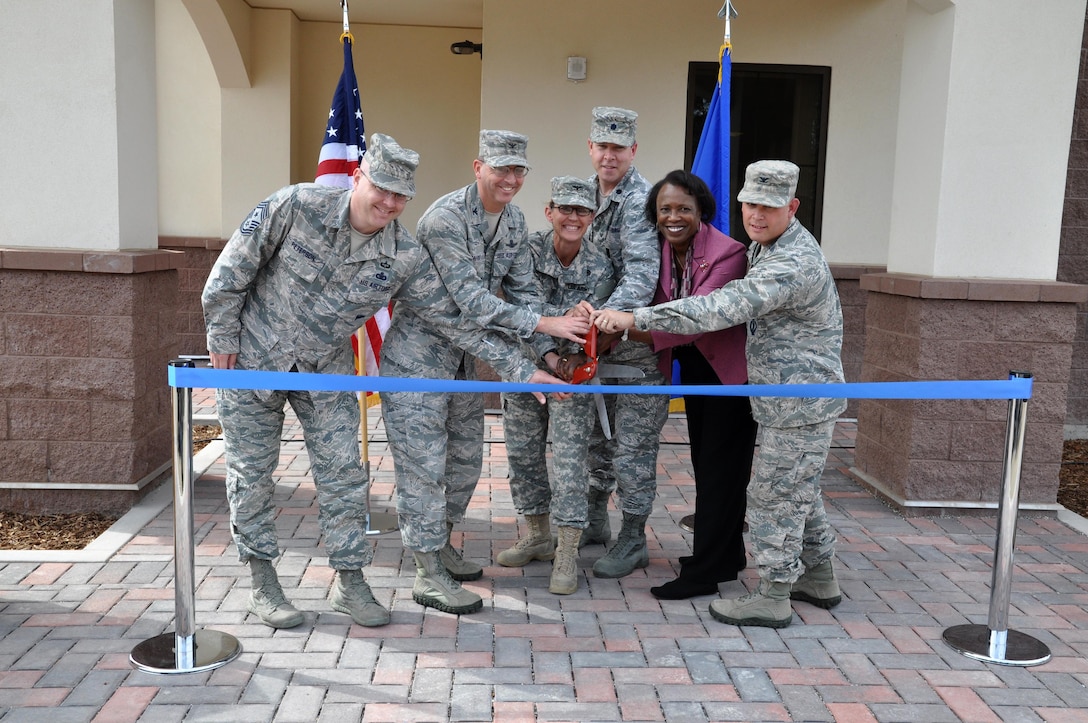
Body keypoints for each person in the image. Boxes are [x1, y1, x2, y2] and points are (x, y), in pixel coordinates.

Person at [202, 133, 558, 631]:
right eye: (381, 189)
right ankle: (263, 583)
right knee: (252, 475)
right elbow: (228, 275)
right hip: (251, 362)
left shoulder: (404, 254)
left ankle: (351, 583)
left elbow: (450, 319)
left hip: (324, 371)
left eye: (400, 196)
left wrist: (522, 369)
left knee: (346, 477)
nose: (388, 203)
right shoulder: (296, 204)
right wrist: (222, 338)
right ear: (358, 177)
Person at [593, 160, 846, 627]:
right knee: (800, 492)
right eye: (750, 203)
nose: (756, 214)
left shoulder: (791, 262)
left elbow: (723, 306)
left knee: (775, 495)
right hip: (781, 397)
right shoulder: (770, 244)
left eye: (769, 206)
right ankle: (820, 575)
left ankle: (773, 594)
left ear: (791, 207)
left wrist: (636, 319)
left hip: (796, 401)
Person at [381, 131, 590, 615]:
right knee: (424, 468)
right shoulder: (444, 219)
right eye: (501, 169)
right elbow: (469, 302)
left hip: (464, 364)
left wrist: (548, 356)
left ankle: (441, 546)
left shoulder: (513, 221)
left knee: (465, 462)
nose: (511, 180)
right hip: (419, 363)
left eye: (519, 171)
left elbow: (523, 296)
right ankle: (426, 569)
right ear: (478, 167)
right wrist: (542, 325)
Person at [635, 170, 757, 600]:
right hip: (696, 374)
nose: (673, 217)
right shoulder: (660, 251)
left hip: (729, 377)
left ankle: (703, 574)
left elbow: (695, 320)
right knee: (710, 470)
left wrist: (626, 327)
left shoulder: (729, 253)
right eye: (665, 209)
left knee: (721, 472)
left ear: (702, 210)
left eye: (684, 208)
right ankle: (727, 557)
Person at [497, 176, 615, 595]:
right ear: (549, 212)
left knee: (568, 463)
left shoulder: (602, 264)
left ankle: (566, 549)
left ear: (592, 217)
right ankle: (537, 535)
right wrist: (551, 345)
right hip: (526, 370)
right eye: (565, 208)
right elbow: (518, 309)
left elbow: (592, 321)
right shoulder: (524, 251)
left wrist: (565, 339)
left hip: (572, 376)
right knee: (523, 456)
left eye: (582, 210)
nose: (573, 217)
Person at [581, 106, 668, 579]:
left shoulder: (642, 200)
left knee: (632, 449)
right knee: (597, 439)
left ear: (633, 150)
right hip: (593, 343)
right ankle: (595, 520)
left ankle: (633, 537)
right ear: (590, 148)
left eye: (619, 148)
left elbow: (641, 274)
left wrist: (602, 323)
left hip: (632, 348)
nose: (609, 156)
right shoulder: (583, 195)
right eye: (602, 146)